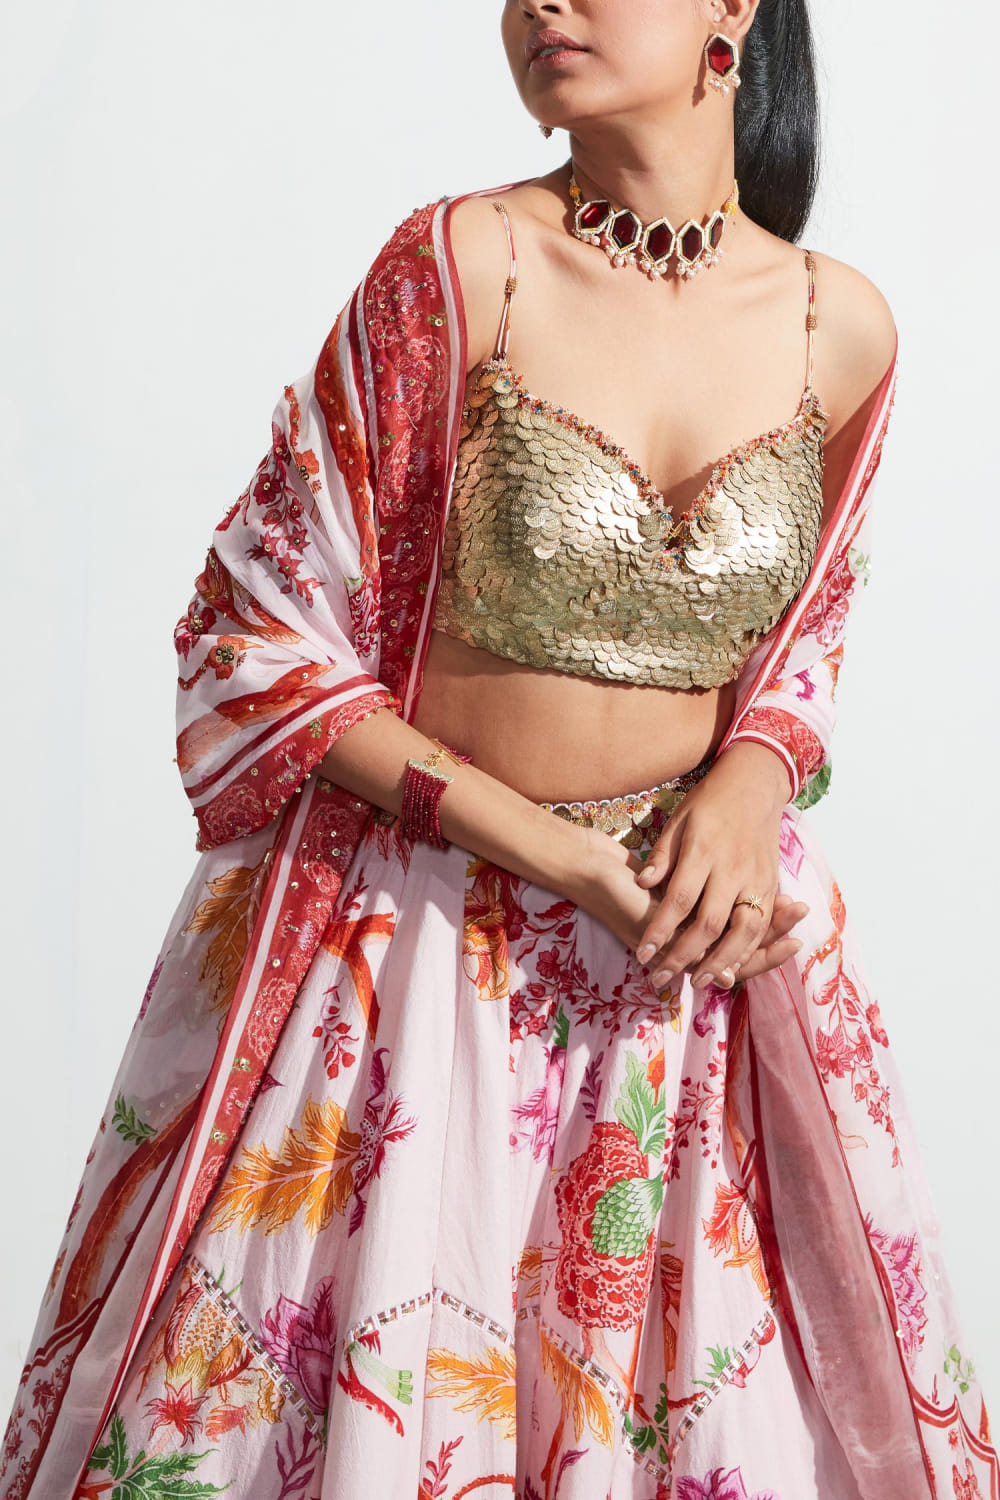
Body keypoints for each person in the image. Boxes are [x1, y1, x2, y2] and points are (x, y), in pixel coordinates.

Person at [2, 0, 995, 1497]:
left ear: (734, 6)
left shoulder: (839, 329)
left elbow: (808, 639)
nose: (540, 4)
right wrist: (556, 857)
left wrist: (754, 776)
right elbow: (252, 629)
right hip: (415, 959)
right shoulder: (464, 267)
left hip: (687, 982)